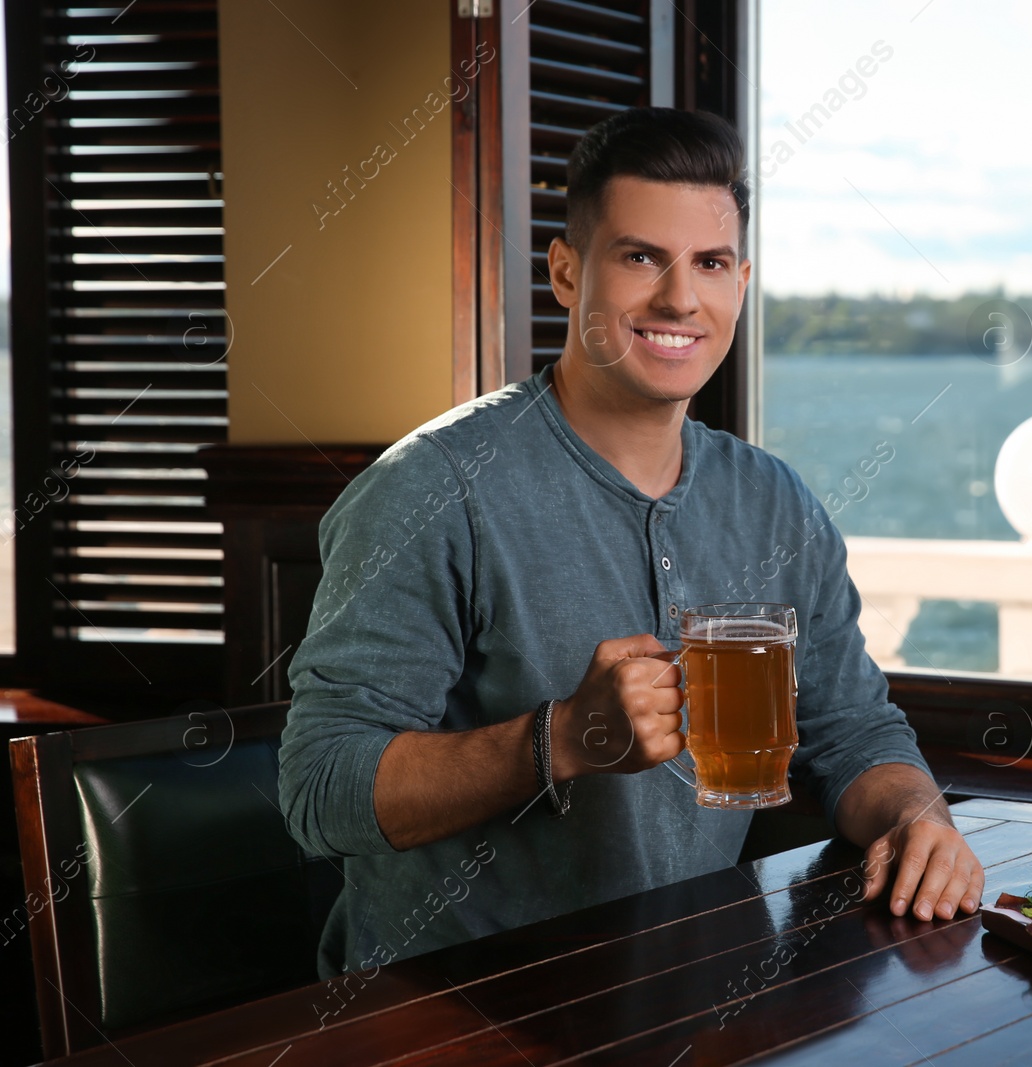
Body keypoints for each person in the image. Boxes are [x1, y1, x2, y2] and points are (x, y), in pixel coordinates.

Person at [279, 107, 984, 979]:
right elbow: (321, 790)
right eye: (641, 256)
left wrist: (920, 817)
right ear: (567, 273)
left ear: (741, 282)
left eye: (711, 264)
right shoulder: (431, 489)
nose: (680, 298)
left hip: (687, 991)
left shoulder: (775, 501)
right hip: (450, 1011)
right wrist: (562, 739)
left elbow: (853, 730)